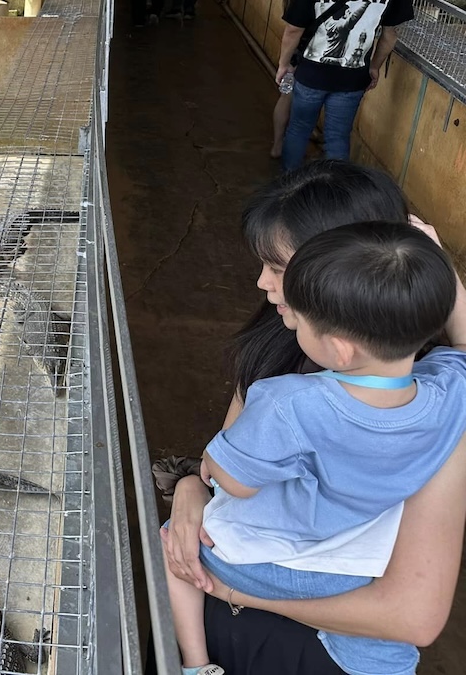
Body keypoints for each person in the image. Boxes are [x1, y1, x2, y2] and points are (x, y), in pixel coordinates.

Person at [158, 160, 466, 675]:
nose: (261, 282)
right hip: (253, 606)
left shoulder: (294, 397)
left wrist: (242, 592)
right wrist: (191, 489)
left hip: (306, 637)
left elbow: (414, 618)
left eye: (280, 270)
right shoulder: (433, 392)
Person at [277, 0, 414, 171]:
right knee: (337, 137)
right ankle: (335, 199)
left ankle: (288, 187)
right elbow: (389, 35)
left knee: (299, 128)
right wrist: (373, 66)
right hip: (352, 77)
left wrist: (284, 64)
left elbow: (293, 29)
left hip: (311, 73)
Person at [270, 0, 341, 158]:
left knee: (287, 95)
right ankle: (293, 138)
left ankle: (277, 144)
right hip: (314, 45)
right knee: (306, 96)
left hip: (296, 46)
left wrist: (283, 61)